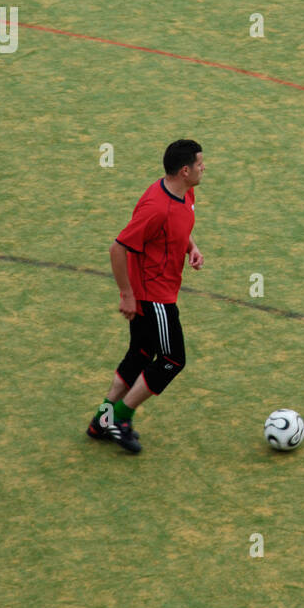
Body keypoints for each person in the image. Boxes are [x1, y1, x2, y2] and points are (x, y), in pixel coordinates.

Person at [87, 141, 205, 454]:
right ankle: (120, 420)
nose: (203, 168)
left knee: (140, 354)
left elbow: (177, 228)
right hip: (154, 296)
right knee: (171, 360)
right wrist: (127, 294)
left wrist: (190, 247)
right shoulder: (156, 207)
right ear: (185, 170)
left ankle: (102, 420)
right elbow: (118, 248)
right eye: (199, 164)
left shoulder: (184, 192)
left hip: (155, 290)